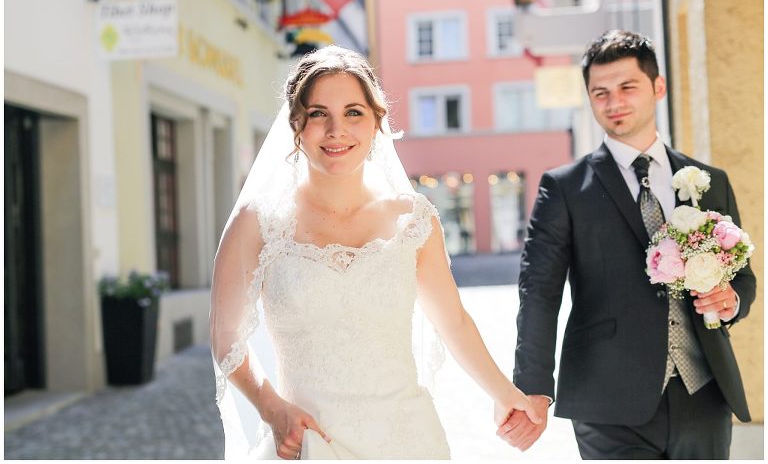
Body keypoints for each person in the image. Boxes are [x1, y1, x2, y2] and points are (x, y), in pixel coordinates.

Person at [210, 46, 540, 459]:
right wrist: (272, 409)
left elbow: (453, 322)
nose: (336, 130)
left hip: (408, 441)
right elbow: (225, 336)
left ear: (376, 121)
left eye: (353, 112)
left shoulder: (413, 220)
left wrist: (504, 393)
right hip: (308, 441)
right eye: (318, 114)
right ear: (296, 121)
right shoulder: (257, 222)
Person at [498, 30, 755, 459]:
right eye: (600, 92)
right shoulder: (563, 188)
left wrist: (731, 300)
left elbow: (742, 278)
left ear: (658, 87)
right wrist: (534, 387)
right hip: (607, 400)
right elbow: (538, 293)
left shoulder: (709, 182)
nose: (613, 101)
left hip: (704, 392)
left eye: (626, 87)